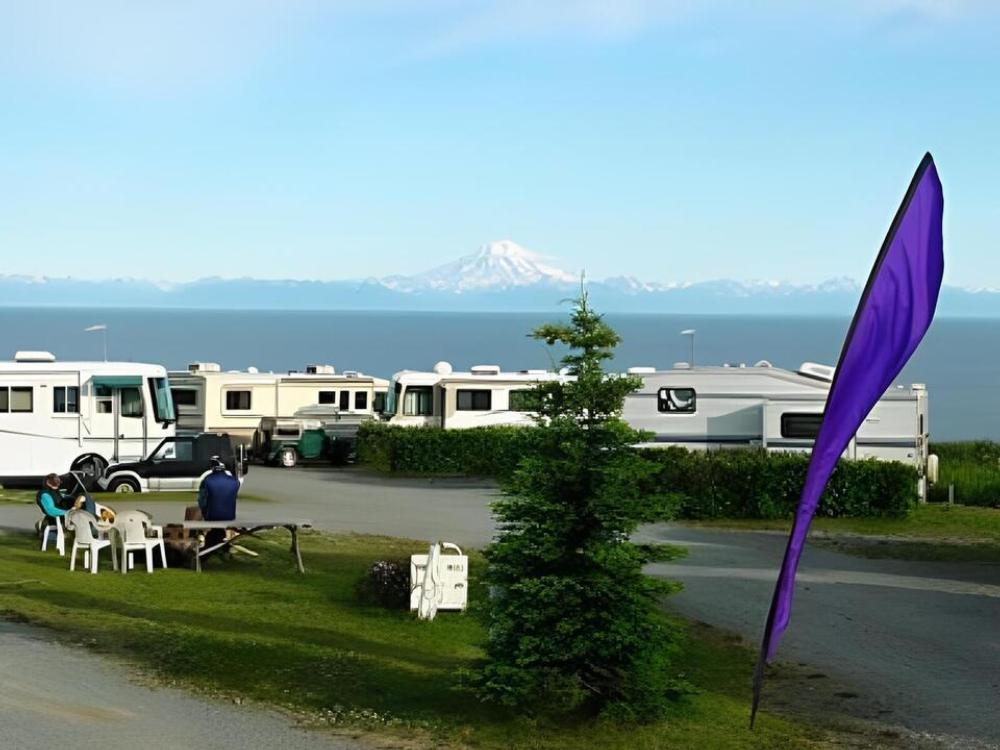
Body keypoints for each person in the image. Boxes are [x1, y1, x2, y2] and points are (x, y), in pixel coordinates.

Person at [197, 457, 240, 550]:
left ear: (213, 468)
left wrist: (203, 511)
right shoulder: (235, 481)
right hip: (230, 516)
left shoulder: (207, 480)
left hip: (211, 516)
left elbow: (201, 501)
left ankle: (201, 538)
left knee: (193, 511)